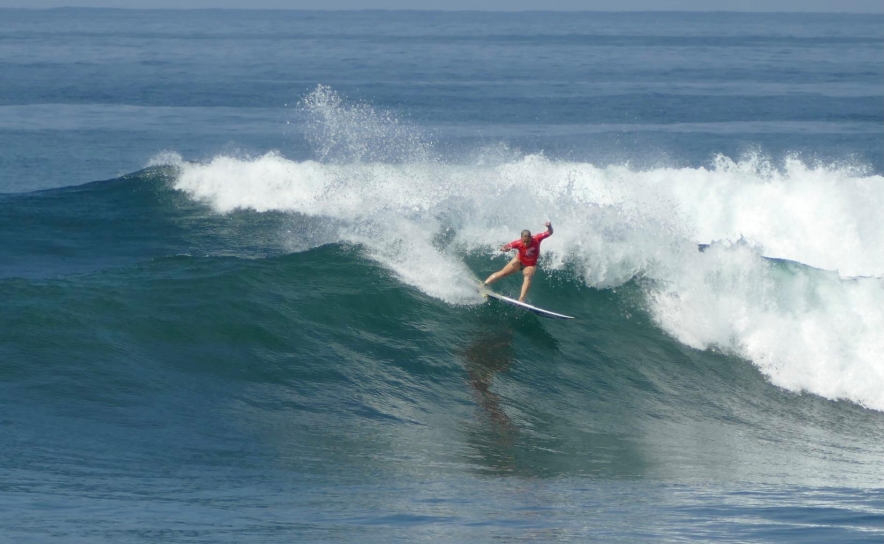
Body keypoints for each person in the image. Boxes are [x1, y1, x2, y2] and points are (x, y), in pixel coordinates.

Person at [483, 221, 553, 302]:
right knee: (503, 273)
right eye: (524, 241)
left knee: (528, 276)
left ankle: (521, 299)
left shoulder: (537, 238)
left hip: (530, 265)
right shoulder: (518, 243)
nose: (526, 243)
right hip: (519, 261)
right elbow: (507, 246)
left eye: (528, 241)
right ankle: (484, 284)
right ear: (521, 238)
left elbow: (549, 232)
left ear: (531, 238)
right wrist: (504, 249)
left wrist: (549, 227)